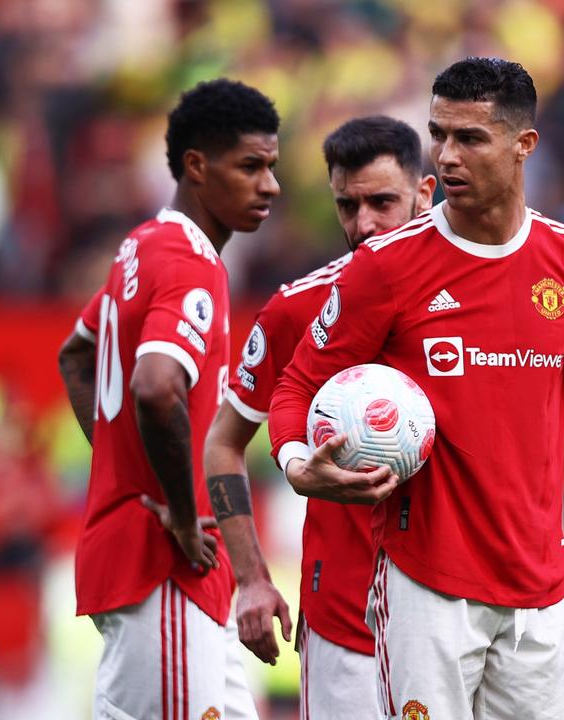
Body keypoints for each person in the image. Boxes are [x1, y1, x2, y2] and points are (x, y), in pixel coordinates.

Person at [268, 58, 564, 719]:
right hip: (426, 589)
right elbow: (297, 385)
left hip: (540, 590)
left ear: (523, 145)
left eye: (470, 138)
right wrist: (300, 464)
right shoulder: (386, 268)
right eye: (438, 134)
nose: (447, 155)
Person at [56, 78, 280, 720]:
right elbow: (157, 387)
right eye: (251, 166)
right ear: (196, 166)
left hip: (158, 563)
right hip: (167, 560)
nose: (270, 185)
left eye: (271, 166)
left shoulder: (140, 248)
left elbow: (75, 354)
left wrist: (120, 467)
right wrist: (182, 510)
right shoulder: (188, 259)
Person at [205, 115, 434, 719]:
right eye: (347, 205)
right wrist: (251, 577)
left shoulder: (477, 301)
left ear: (425, 193)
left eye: (383, 202)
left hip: (459, 611)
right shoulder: (295, 310)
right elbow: (223, 444)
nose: (364, 224)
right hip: (345, 622)